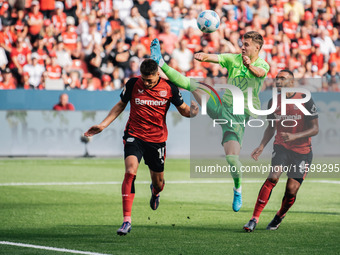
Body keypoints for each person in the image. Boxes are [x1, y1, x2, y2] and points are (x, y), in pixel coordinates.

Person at [150, 31, 270, 212]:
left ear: (257, 48)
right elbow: (214, 57)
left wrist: (250, 65)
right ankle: (160, 62)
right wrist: (202, 56)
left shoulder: (262, 64)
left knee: (232, 159)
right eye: (242, 43)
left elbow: (260, 74)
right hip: (222, 107)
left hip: (238, 118)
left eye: (246, 44)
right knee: (191, 84)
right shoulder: (234, 59)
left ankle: (237, 189)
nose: (242, 47)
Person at [84, 59, 198, 235]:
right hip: (134, 136)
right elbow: (121, 104)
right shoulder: (132, 84)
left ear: (158, 75)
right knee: (130, 172)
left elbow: (183, 109)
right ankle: (126, 220)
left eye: (150, 80)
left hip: (157, 140)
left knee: (158, 183)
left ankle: (155, 191)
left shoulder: (169, 88)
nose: (146, 83)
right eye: (144, 80)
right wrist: (103, 125)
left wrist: (193, 113)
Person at [243, 70, 319, 232]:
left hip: (302, 151)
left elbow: (315, 128)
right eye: (277, 78)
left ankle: (279, 216)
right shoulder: (273, 102)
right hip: (282, 147)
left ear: (291, 82)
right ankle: (254, 218)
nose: (278, 81)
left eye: (282, 78)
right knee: (273, 177)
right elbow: (271, 127)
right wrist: (262, 145)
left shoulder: (304, 99)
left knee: (291, 190)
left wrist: (295, 136)